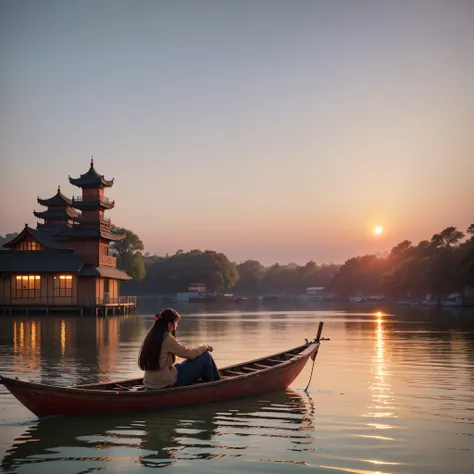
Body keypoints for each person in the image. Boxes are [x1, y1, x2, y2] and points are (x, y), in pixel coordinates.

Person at [138, 308, 220, 389]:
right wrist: (205, 347)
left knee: (179, 365)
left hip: (151, 382)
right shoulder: (166, 338)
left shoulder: (150, 336)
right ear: (170, 324)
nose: (176, 326)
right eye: (176, 323)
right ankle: (215, 386)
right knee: (206, 357)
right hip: (164, 382)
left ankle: (213, 382)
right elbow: (190, 354)